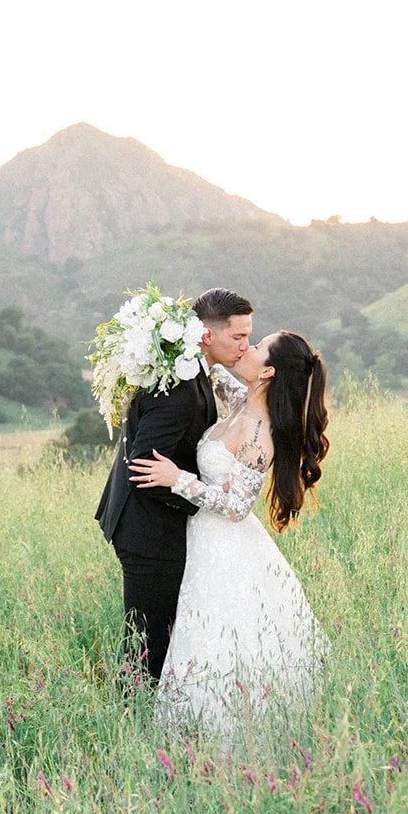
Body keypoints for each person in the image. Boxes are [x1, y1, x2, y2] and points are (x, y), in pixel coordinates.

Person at [127, 329, 330, 738]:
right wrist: (184, 338)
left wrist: (177, 479)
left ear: (268, 372)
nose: (247, 347)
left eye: (257, 346)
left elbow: (238, 506)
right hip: (201, 534)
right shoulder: (243, 401)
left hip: (224, 545)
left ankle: (224, 733)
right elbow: (210, 371)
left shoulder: (260, 431)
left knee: (216, 636)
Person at [95, 288, 254, 682]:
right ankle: (130, 714)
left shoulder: (197, 372)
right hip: (148, 531)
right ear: (207, 335)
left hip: (155, 525)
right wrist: (199, 501)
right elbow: (144, 470)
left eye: (249, 336)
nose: (245, 345)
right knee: (148, 647)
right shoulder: (180, 390)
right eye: (238, 336)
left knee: (159, 640)